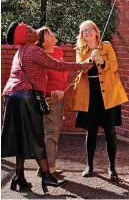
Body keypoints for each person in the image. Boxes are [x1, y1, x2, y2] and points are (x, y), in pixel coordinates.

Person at [1, 21, 93, 194]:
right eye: (29, 30)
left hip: (11, 98)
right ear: (26, 37)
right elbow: (57, 65)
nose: (34, 30)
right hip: (26, 98)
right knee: (37, 136)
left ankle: (19, 176)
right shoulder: (34, 50)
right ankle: (46, 175)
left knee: (21, 139)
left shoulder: (19, 53)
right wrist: (82, 65)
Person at [69, 20, 128, 181]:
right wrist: (90, 60)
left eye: (89, 30)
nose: (87, 33)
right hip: (89, 95)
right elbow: (79, 67)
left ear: (96, 32)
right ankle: (89, 165)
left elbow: (114, 66)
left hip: (107, 94)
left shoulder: (106, 46)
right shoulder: (80, 49)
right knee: (91, 130)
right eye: (83, 31)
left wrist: (102, 61)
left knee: (110, 131)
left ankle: (113, 168)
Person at [36, 26, 67, 177]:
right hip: (50, 98)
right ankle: (49, 170)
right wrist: (49, 94)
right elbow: (37, 82)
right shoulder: (41, 57)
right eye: (48, 34)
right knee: (50, 133)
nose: (53, 34)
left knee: (55, 132)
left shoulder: (58, 51)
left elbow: (63, 70)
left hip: (61, 97)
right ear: (42, 42)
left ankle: (45, 167)